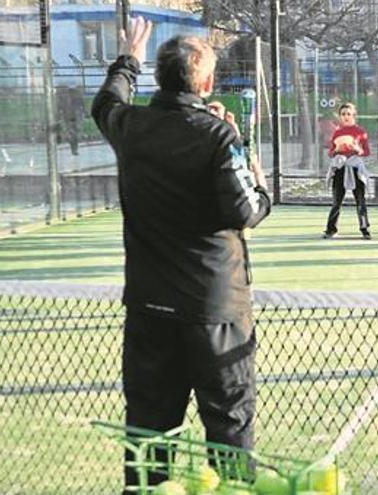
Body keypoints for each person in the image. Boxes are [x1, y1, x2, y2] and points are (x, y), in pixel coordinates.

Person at [91, 18, 271, 490]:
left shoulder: (131, 127)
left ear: (158, 76)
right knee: (229, 430)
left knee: (148, 431)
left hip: (150, 310)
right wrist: (246, 161)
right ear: (206, 82)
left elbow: (106, 101)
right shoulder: (218, 137)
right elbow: (247, 211)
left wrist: (128, 57)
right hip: (214, 310)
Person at [323, 102, 371, 240]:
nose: (346, 117)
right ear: (340, 116)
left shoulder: (360, 132)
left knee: (360, 200)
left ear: (353, 115)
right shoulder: (337, 132)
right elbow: (331, 151)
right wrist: (336, 151)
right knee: (337, 200)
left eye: (348, 114)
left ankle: (364, 229)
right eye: (343, 114)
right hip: (340, 168)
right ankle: (331, 229)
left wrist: (358, 150)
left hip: (355, 168)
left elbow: (366, 152)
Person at [58, 85, 86, 155]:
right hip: (68, 118)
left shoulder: (78, 98)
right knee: (71, 134)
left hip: (74, 118)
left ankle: (74, 149)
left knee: (74, 134)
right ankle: (73, 147)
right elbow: (60, 108)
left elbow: (83, 106)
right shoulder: (64, 99)